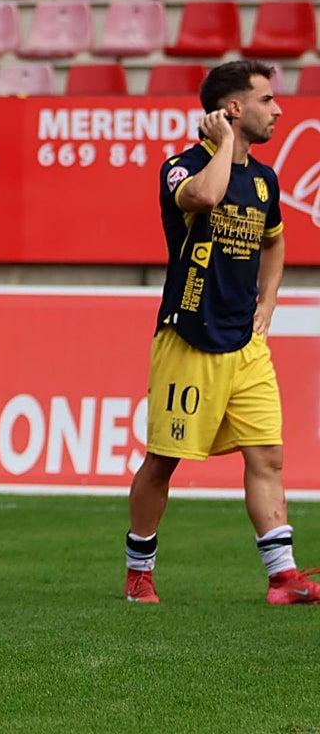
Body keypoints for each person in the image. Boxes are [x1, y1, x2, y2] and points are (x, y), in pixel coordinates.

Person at [125, 60, 320, 606]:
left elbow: (276, 241)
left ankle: (283, 578)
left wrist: (270, 300)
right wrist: (222, 148)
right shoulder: (180, 167)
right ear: (233, 109)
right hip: (188, 338)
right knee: (164, 461)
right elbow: (205, 199)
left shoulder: (265, 179)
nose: (278, 109)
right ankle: (139, 568)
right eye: (265, 100)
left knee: (268, 457)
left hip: (246, 344)